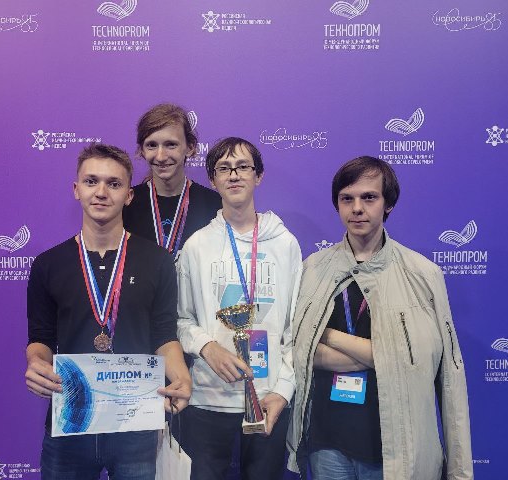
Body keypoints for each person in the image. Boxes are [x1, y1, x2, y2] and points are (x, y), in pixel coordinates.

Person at [287, 156, 473, 479]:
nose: (357, 208)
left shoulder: (423, 275)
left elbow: (447, 375)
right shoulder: (312, 269)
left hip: (395, 450)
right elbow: (298, 350)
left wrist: (327, 336)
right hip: (326, 445)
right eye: (347, 199)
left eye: (369, 197)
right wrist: (376, 355)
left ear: (388, 204)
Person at [25, 143, 191, 480]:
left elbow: (164, 335)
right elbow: (41, 338)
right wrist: (36, 363)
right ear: (76, 189)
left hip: (135, 425)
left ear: (129, 196)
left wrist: (181, 375)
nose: (101, 192)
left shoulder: (157, 261)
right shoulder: (48, 264)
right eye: (91, 181)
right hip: (70, 422)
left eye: (113, 184)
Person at [176, 137, 302, 480]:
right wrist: (207, 346)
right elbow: (181, 319)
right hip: (208, 399)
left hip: (268, 397)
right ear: (213, 179)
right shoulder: (197, 246)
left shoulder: (285, 244)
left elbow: (296, 328)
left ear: (258, 176)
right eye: (224, 168)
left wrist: (283, 390)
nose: (234, 175)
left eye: (243, 166)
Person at [123, 103, 222, 258]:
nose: (161, 156)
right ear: (142, 150)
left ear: (190, 147)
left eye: (171, 145)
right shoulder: (126, 204)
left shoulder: (215, 205)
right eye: (151, 145)